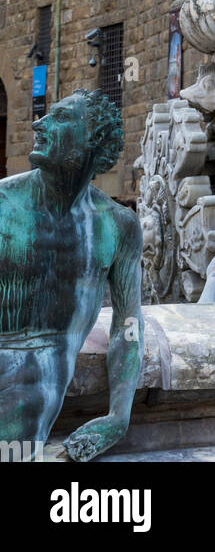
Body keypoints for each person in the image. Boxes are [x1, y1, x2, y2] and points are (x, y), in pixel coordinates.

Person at [0, 90, 142, 460]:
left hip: (30, 394)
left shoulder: (118, 226)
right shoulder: (2, 205)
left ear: (90, 141)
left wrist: (118, 416)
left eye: (60, 118)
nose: (38, 123)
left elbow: (128, 326)